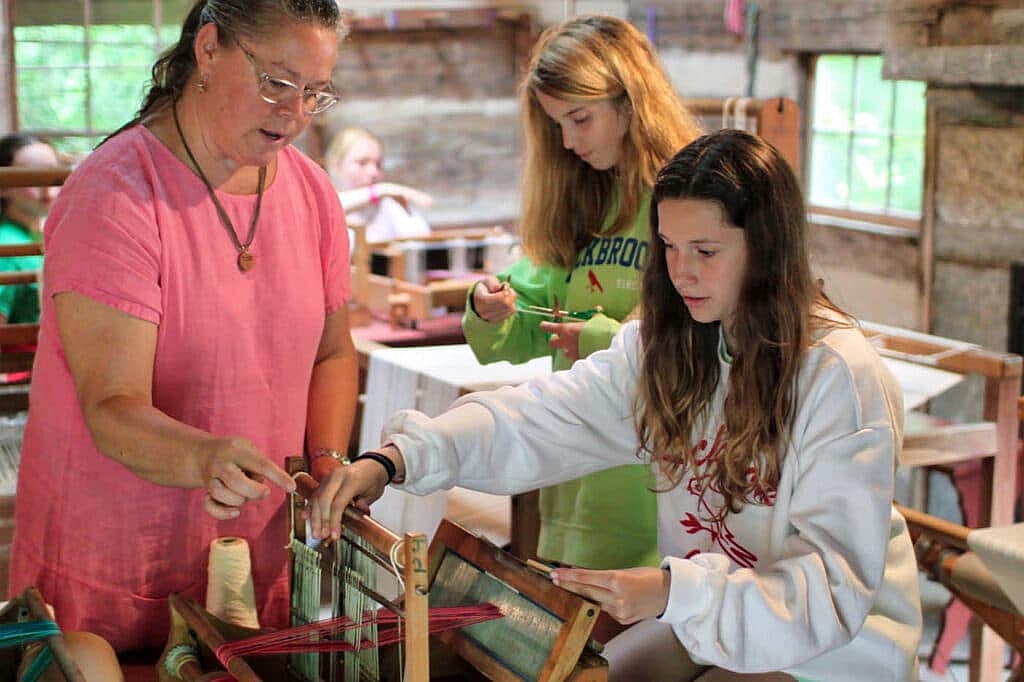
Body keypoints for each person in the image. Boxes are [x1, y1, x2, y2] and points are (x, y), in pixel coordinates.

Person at [311, 130, 924, 681]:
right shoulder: (673, 344)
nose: (682, 273)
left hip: (832, 643)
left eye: (706, 252)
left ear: (767, 249)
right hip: (707, 609)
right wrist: (395, 459)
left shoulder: (835, 376)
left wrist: (670, 591)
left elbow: (831, 590)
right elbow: (544, 414)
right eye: (669, 247)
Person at [8, 0, 360, 653]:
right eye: (277, 82)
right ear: (208, 50)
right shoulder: (116, 194)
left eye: (316, 92)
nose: (295, 113)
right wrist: (204, 456)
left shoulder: (312, 193)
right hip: (120, 548)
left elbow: (332, 353)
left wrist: (328, 461)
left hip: (250, 545)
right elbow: (112, 406)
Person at [462, 14, 703, 570]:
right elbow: (525, 316)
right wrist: (488, 306)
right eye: (556, 126)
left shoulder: (686, 203)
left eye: (579, 119)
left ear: (630, 102)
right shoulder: (583, 204)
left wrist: (599, 337)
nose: (568, 142)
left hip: (652, 487)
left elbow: (697, 339)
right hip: (577, 484)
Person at [325, 126, 432, 242]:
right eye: (362, 163)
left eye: (378, 164)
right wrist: (382, 190)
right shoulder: (321, 203)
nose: (373, 172)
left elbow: (421, 240)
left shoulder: (389, 206)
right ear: (335, 164)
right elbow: (330, 208)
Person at [0, 133, 60, 325]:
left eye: (52, 175)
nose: (46, 187)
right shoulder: (6, 246)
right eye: (32, 175)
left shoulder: (49, 235)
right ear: (3, 186)